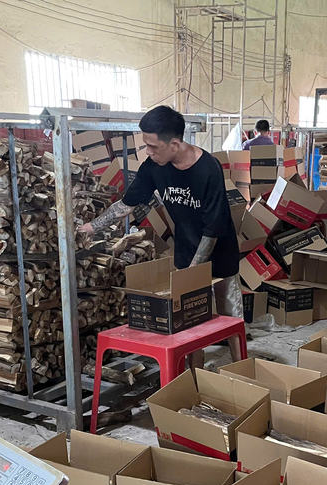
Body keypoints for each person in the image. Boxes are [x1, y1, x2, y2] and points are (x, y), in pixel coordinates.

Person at [80, 105, 243, 367]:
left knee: (230, 315)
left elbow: (213, 229)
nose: (148, 151)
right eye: (146, 145)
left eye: (153, 146)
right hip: (186, 250)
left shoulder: (208, 168)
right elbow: (128, 203)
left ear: (174, 144)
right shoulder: (154, 167)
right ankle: (194, 375)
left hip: (220, 251)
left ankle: (241, 368)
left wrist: (193, 273)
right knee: (190, 318)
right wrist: (91, 227)